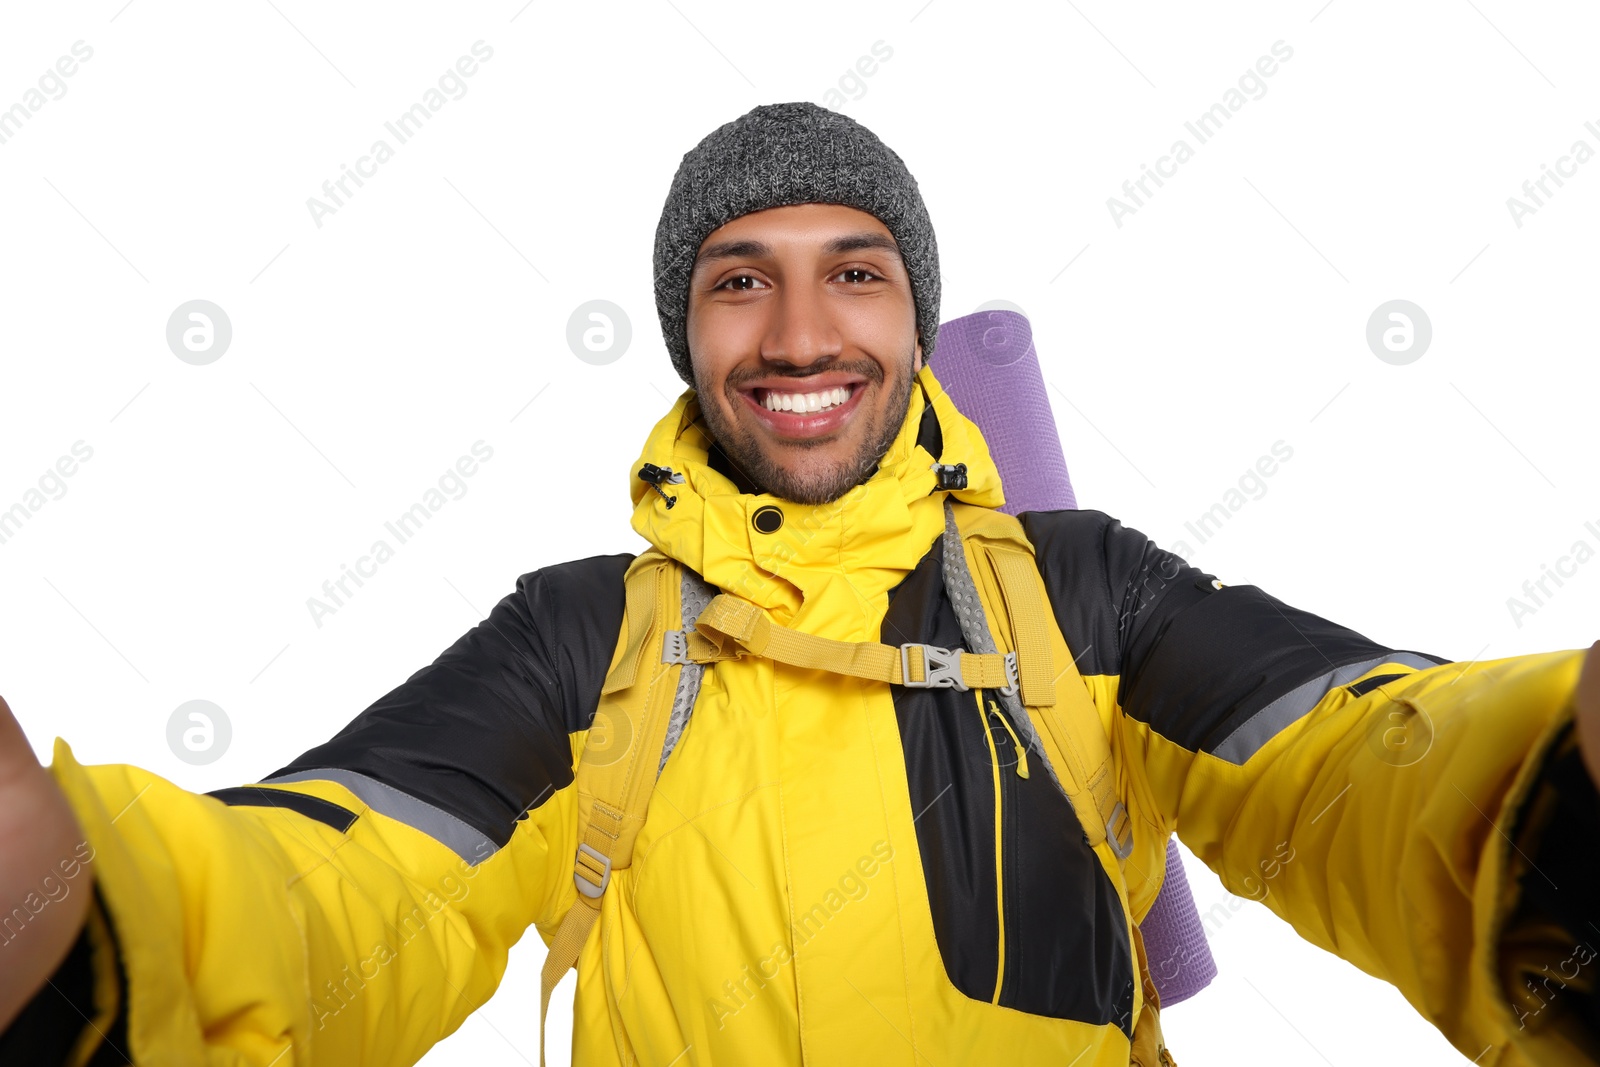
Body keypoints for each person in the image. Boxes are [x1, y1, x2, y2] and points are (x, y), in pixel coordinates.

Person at [1, 100, 1597, 1067]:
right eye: (737, 280)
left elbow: (1359, 770)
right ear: (685, 335)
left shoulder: (1087, 596)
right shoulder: (581, 644)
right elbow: (341, 889)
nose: (801, 336)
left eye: (857, 271)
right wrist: (83, 921)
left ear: (916, 311)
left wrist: (1563, 780)